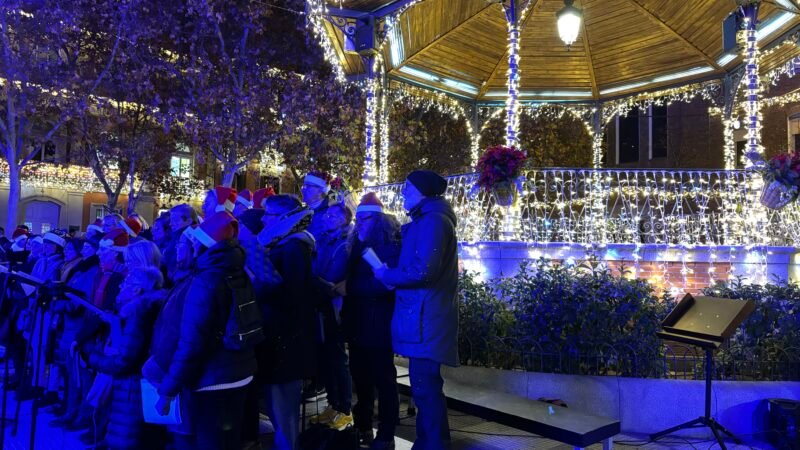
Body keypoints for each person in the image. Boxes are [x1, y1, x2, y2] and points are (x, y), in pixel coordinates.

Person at [155, 211, 257, 450]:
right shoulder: (237, 269)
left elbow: (192, 342)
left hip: (212, 380)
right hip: (239, 372)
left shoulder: (205, 281)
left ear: (202, 244)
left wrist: (168, 389)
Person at [374, 170, 459, 450]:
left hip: (427, 319)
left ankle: (433, 445)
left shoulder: (433, 221)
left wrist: (388, 275)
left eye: (408, 188)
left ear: (422, 191)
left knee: (425, 388)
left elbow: (424, 271)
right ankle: (429, 443)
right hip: (423, 316)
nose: (404, 193)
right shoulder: (427, 220)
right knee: (424, 388)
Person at [255, 195, 317, 450]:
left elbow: (290, 295)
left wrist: (257, 265)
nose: (262, 219)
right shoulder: (285, 245)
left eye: (268, 214)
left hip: (285, 343)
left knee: (284, 414)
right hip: (278, 339)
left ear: (283, 219)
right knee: (278, 410)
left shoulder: (293, 248)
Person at [342, 193, 402, 449]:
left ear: (378, 221)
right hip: (358, 322)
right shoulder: (358, 243)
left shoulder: (390, 246)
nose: (360, 224)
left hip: (378, 324)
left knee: (383, 379)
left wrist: (349, 287)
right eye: (358, 219)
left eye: (365, 219)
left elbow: (385, 285)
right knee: (362, 378)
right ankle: (363, 425)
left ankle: (386, 433)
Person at [89, 268, 166, 450]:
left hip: (132, 389)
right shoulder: (152, 307)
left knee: (125, 441)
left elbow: (124, 361)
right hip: (144, 384)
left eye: (127, 283)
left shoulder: (137, 312)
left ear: (137, 290)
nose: (121, 286)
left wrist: (93, 357)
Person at [308, 202, 354, 430]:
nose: (326, 217)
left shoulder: (345, 243)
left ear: (342, 219)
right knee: (326, 358)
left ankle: (344, 409)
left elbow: (332, 274)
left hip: (335, 307)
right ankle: (333, 405)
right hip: (324, 304)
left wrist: (319, 281)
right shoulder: (325, 239)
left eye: (331, 215)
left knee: (337, 358)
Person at [164, 204, 198, 284]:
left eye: (175, 220)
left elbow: (182, 263)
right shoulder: (175, 236)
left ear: (189, 221)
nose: (170, 224)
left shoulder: (190, 239)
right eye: (171, 220)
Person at [302, 171, 332, 240]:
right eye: (304, 185)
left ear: (320, 191)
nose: (303, 189)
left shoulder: (327, 215)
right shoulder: (304, 209)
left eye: (308, 186)